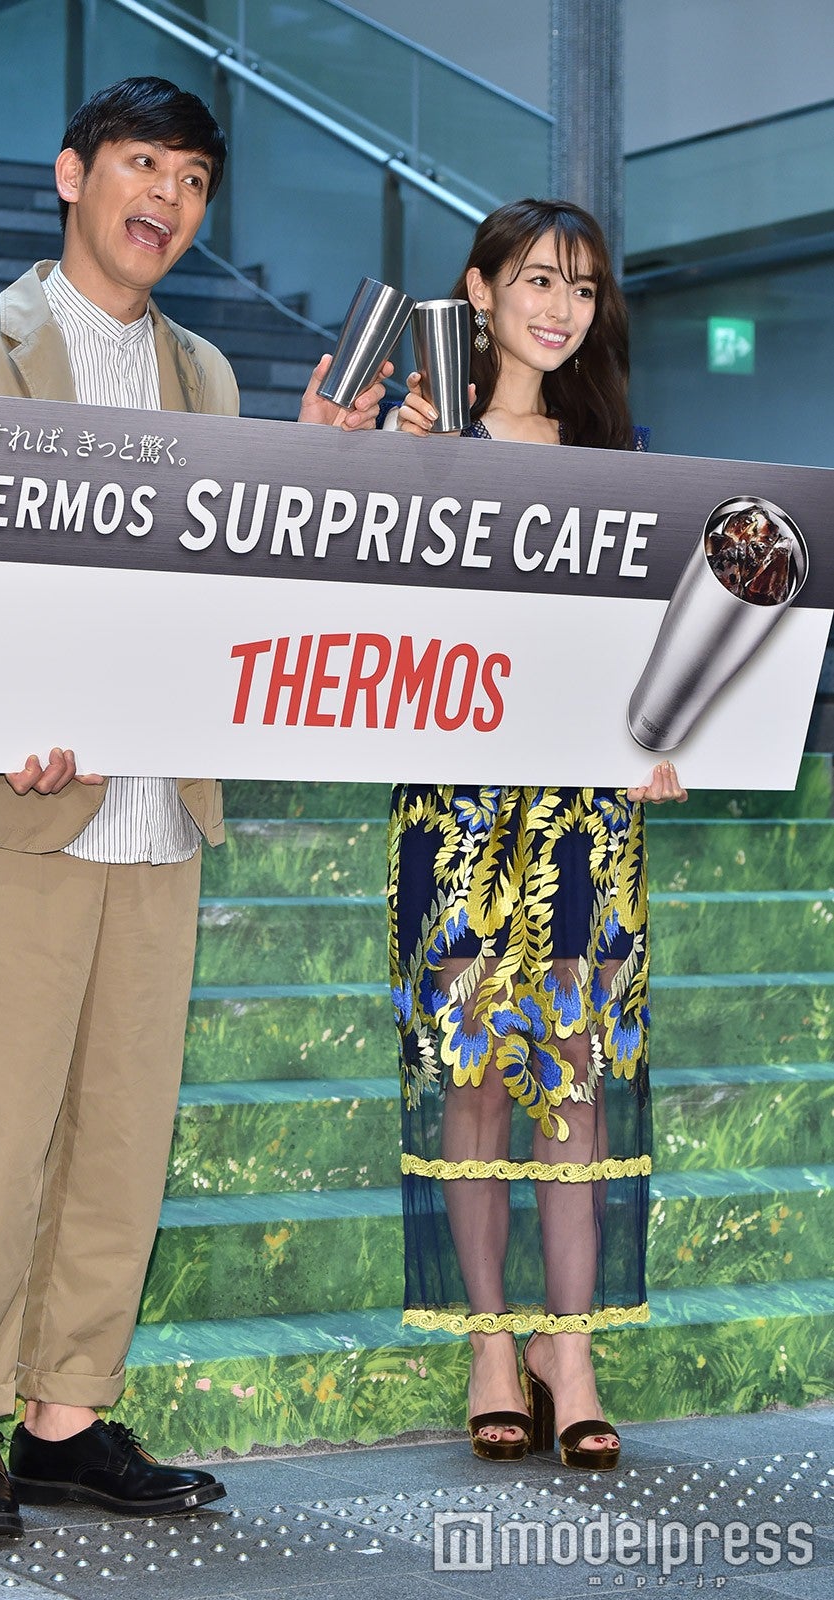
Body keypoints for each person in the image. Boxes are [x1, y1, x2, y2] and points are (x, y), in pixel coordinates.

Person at [0, 75, 388, 1541]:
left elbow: (219, 596)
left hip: (159, 814)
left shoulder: (210, 378)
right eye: (142, 165)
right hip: (11, 815)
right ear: (72, 174)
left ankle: (65, 1417)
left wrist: (309, 466)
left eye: (192, 181)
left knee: (121, 1138)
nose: (165, 199)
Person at [385, 198, 686, 1472]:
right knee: (472, 1078)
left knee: (572, 1070)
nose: (562, 307)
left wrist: (667, 739)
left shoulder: (624, 457)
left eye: (583, 287)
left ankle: (572, 1353)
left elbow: (661, 640)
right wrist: (380, 462)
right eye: (539, 280)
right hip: (454, 807)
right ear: (481, 290)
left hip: (581, 816)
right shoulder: (420, 439)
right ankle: (491, 1346)